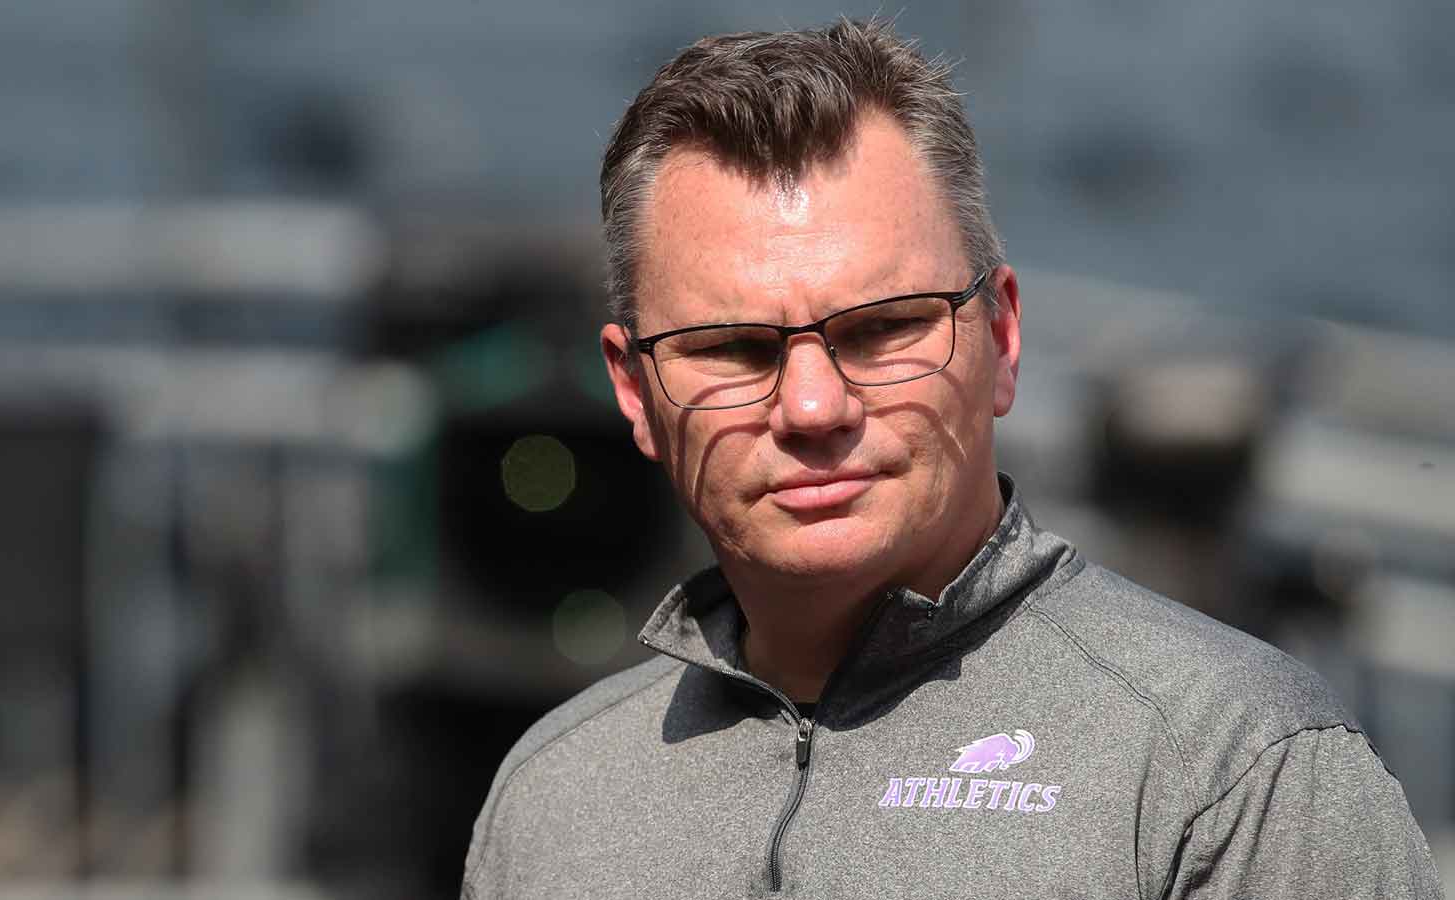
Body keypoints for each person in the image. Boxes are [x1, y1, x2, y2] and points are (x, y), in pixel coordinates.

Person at [462, 18, 1444, 899]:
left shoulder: (1230, 766)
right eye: (732, 348)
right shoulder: (553, 796)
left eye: (882, 329)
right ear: (634, 392)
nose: (811, 406)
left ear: (1002, 339)